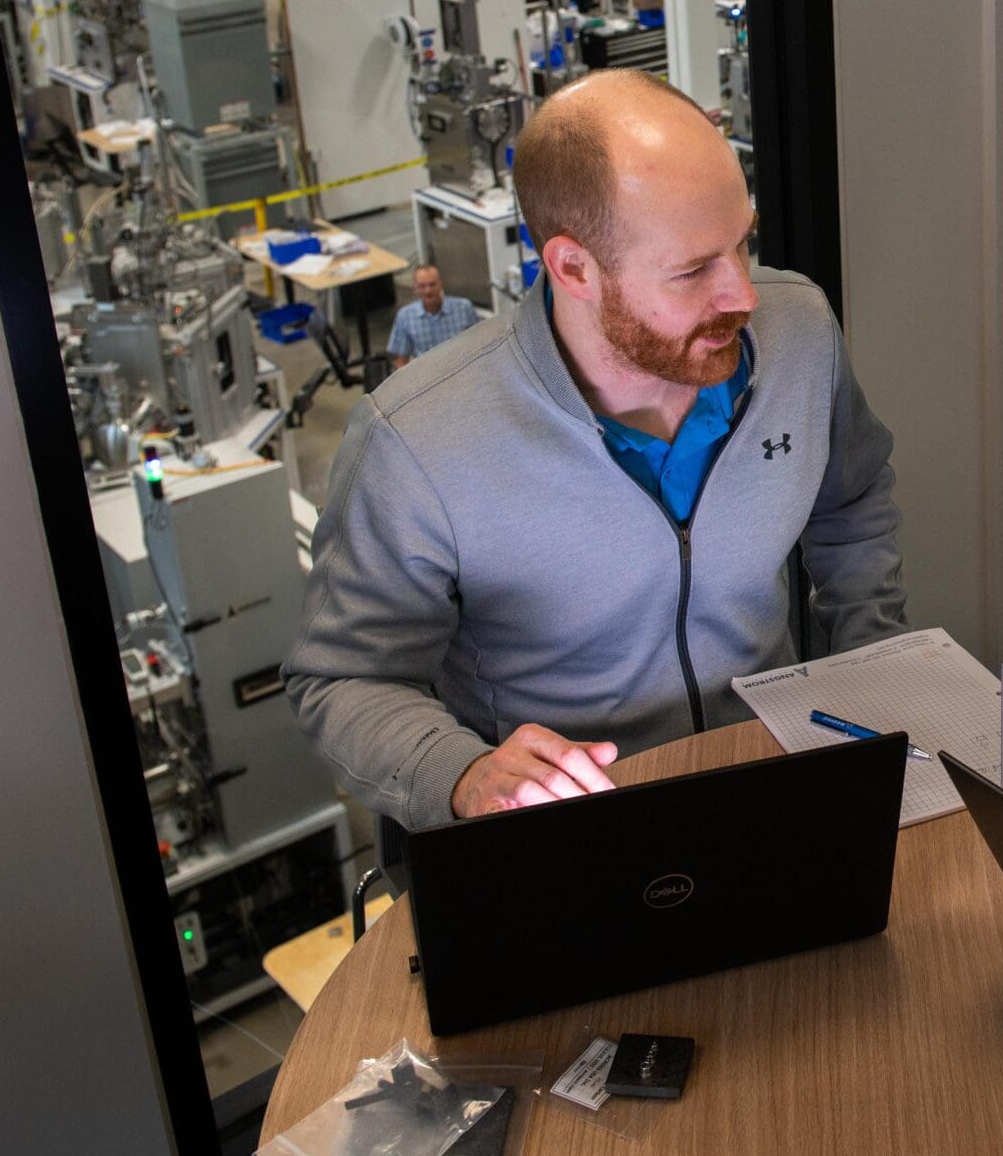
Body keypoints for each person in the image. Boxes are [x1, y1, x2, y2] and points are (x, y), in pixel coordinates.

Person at [286, 69, 909, 830]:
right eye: (691, 270)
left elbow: (852, 500)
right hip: (571, 832)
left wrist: (873, 660)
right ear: (573, 268)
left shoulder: (800, 334)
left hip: (770, 782)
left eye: (742, 243)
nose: (743, 295)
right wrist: (460, 773)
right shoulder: (417, 442)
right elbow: (342, 676)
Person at [386, 263, 480, 370]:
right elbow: (401, 361)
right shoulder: (405, 316)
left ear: (441, 284)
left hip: (462, 371)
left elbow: (480, 344)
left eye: (432, 284)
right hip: (426, 378)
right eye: (422, 286)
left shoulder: (464, 308)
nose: (428, 291)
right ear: (415, 288)